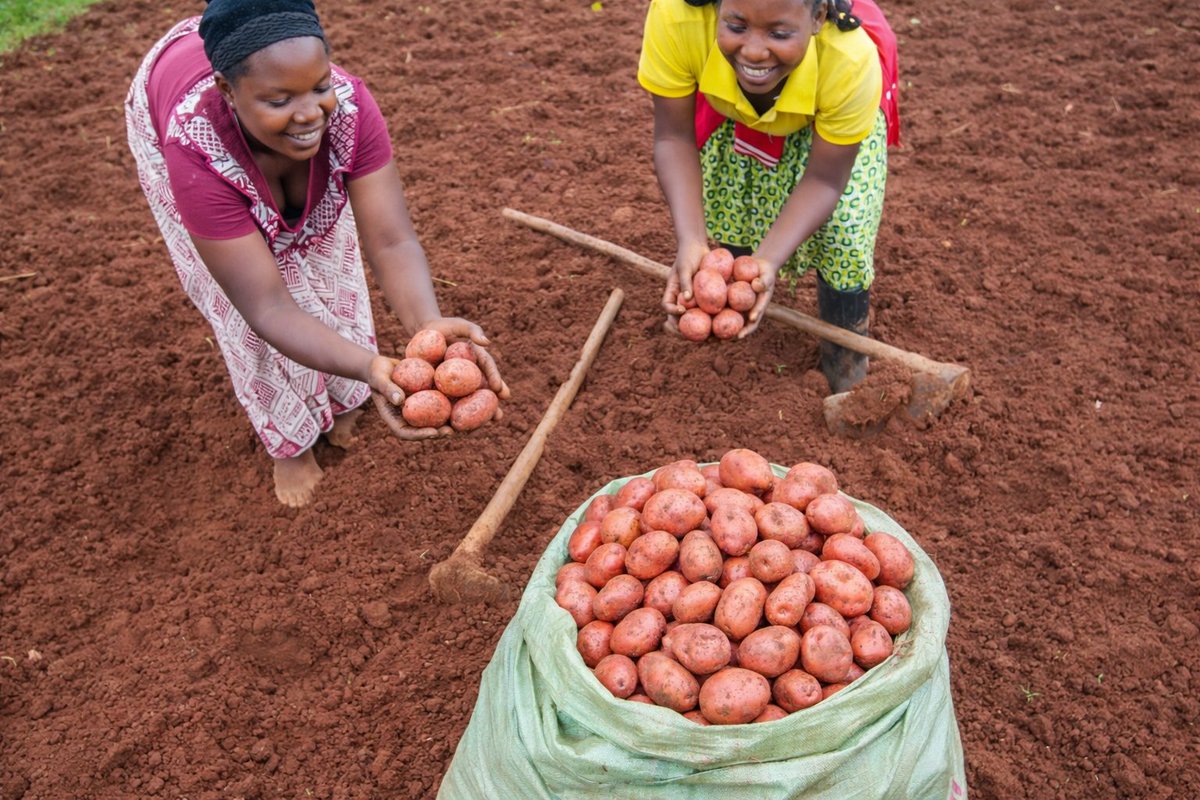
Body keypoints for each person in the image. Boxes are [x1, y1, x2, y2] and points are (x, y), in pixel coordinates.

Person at [125, 0, 508, 507]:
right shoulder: (194, 150)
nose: (309, 114)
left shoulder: (347, 110)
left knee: (332, 265)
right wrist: (372, 367)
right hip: (178, 127)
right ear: (228, 92)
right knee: (240, 310)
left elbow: (392, 241)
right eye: (280, 100)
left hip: (247, 103)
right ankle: (290, 445)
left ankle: (345, 397)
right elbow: (267, 306)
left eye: (319, 86)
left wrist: (427, 328)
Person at [638, 0, 900, 393]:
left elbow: (826, 179)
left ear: (818, 18)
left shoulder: (849, 58)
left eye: (778, 34)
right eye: (736, 26)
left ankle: (845, 361)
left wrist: (768, 260)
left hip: (830, 112)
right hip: (732, 102)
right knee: (729, 190)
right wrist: (691, 240)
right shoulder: (678, 18)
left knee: (845, 229)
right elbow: (673, 136)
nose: (755, 51)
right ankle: (734, 315)